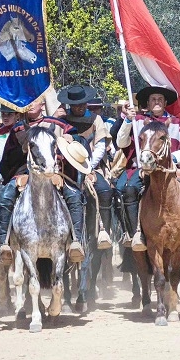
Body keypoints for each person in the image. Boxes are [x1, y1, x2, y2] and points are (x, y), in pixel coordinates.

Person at [115, 86, 180, 251]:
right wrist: (128, 121)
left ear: (165, 102)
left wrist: (171, 160)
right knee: (129, 191)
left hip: (173, 168)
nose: (156, 102)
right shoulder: (136, 121)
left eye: (160, 99)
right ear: (148, 103)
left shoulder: (177, 123)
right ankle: (135, 234)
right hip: (144, 168)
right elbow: (122, 143)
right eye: (153, 99)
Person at [0, 99, 86, 265]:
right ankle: (4, 243)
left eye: (34, 100)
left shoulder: (59, 124)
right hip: (24, 174)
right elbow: (6, 162)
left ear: (43, 104)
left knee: (74, 196)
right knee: (4, 197)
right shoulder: (18, 129)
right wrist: (20, 159)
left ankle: (76, 242)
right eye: (27, 101)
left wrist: (71, 138)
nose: (30, 104)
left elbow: (78, 143)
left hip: (56, 172)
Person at [58, 85, 113, 248]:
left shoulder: (96, 119)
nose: (80, 107)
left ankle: (104, 230)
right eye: (76, 105)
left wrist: (88, 168)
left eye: (83, 104)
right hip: (65, 169)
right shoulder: (62, 120)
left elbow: (101, 147)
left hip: (92, 167)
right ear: (70, 105)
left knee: (104, 190)